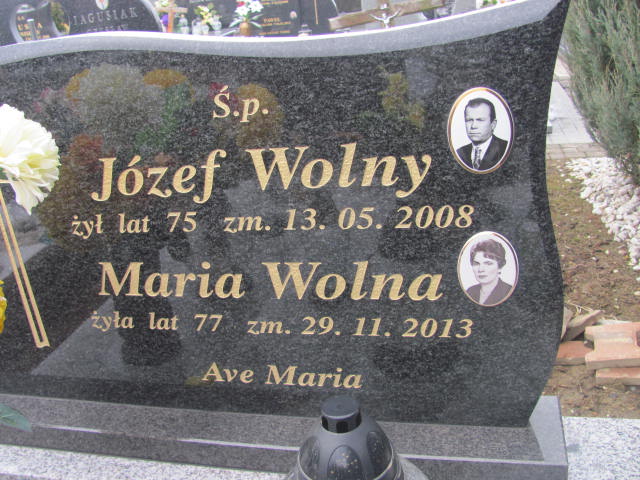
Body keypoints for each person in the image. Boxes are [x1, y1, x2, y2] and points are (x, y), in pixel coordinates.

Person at [456, 97, 509, 171]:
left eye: (480, 120)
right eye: (469, 120)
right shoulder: (460, 152)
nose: (473, 126)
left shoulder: (505, 149)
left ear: (493, 124)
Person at [465, 238, 513, 306]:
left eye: (488, 263)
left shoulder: (508, 291)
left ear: (500, 266)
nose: (481, 269)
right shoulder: (470, 291)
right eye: (476, 264)